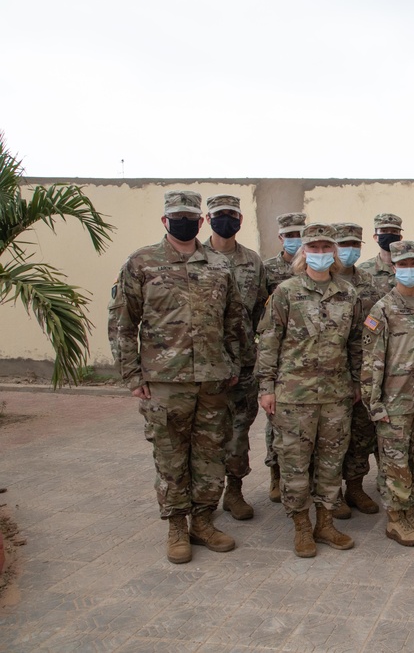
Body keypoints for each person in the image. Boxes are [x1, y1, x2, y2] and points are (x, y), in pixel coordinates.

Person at [108, 190, 244, 564]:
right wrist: (132, 375)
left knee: (210, 456)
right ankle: (176, 527)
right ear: (165, 221)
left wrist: (233, 365)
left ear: (201, 222)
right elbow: (122, 323)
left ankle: (203, 521)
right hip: (165, 382)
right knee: (170, 459)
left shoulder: (219, 265)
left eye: (190, 216)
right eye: (176, 215)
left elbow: (234, 321)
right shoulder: (141, 263)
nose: (184, 221)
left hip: (213, 381)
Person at [256, 223, 361, 557]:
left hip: (336, 395)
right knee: (295, 464)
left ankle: (325, 522)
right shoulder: (287, 292)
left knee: (331, 463)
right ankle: (301, 526)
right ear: (304, 253)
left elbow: (356, 343)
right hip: (293, 395)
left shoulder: (348, 293)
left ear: (333, 254)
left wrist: (357, 382)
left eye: (325, 248)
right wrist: (266, 387)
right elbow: (269, 340)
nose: (319, 254)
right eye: (313, 248)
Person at [362, 240, 414, 547]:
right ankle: (395, 519)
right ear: (394, 267)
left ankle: (410, 512)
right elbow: (371, 362)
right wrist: (375, 405)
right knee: (395, 463)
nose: (410, 270)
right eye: (404, 264)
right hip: (394, 402)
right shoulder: (382, 310)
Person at [203, 194, 268, 522]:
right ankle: (202, 499)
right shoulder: (194, 259)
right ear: (208, 217)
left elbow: (260, 310)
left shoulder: (253, 262)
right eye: (220, 214)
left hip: (243, 364)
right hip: (204, 368)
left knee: (239, 431)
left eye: (232, 214)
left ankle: (234, 491)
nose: (226, 220)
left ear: (240, 220)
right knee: (205, 434)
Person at [332, 222, 384, 518]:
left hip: (365, 372)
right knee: (333, 436)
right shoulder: (316, 282)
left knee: (362, 433)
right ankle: (332, 493)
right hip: (329, 374)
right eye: (343, 244)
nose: (348, 250)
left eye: (354, 243)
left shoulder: (369, 283)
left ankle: (354, 486)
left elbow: (376, 329)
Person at [261, 211, 308, 502]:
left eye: (299, 234)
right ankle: (276, 474)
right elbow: (264, 320)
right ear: (280, 237)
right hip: (282, 363)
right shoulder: (268, 270)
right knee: (276, 424)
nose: (295, 239)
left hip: (313, 365)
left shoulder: (315, 267)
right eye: (289, 235)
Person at [358, 212, 403, 296]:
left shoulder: (410, 269)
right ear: (376, 237)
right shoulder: (363, 270)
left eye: (394, 231)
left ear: (400, 238)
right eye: (384, 231)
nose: (389, 234)